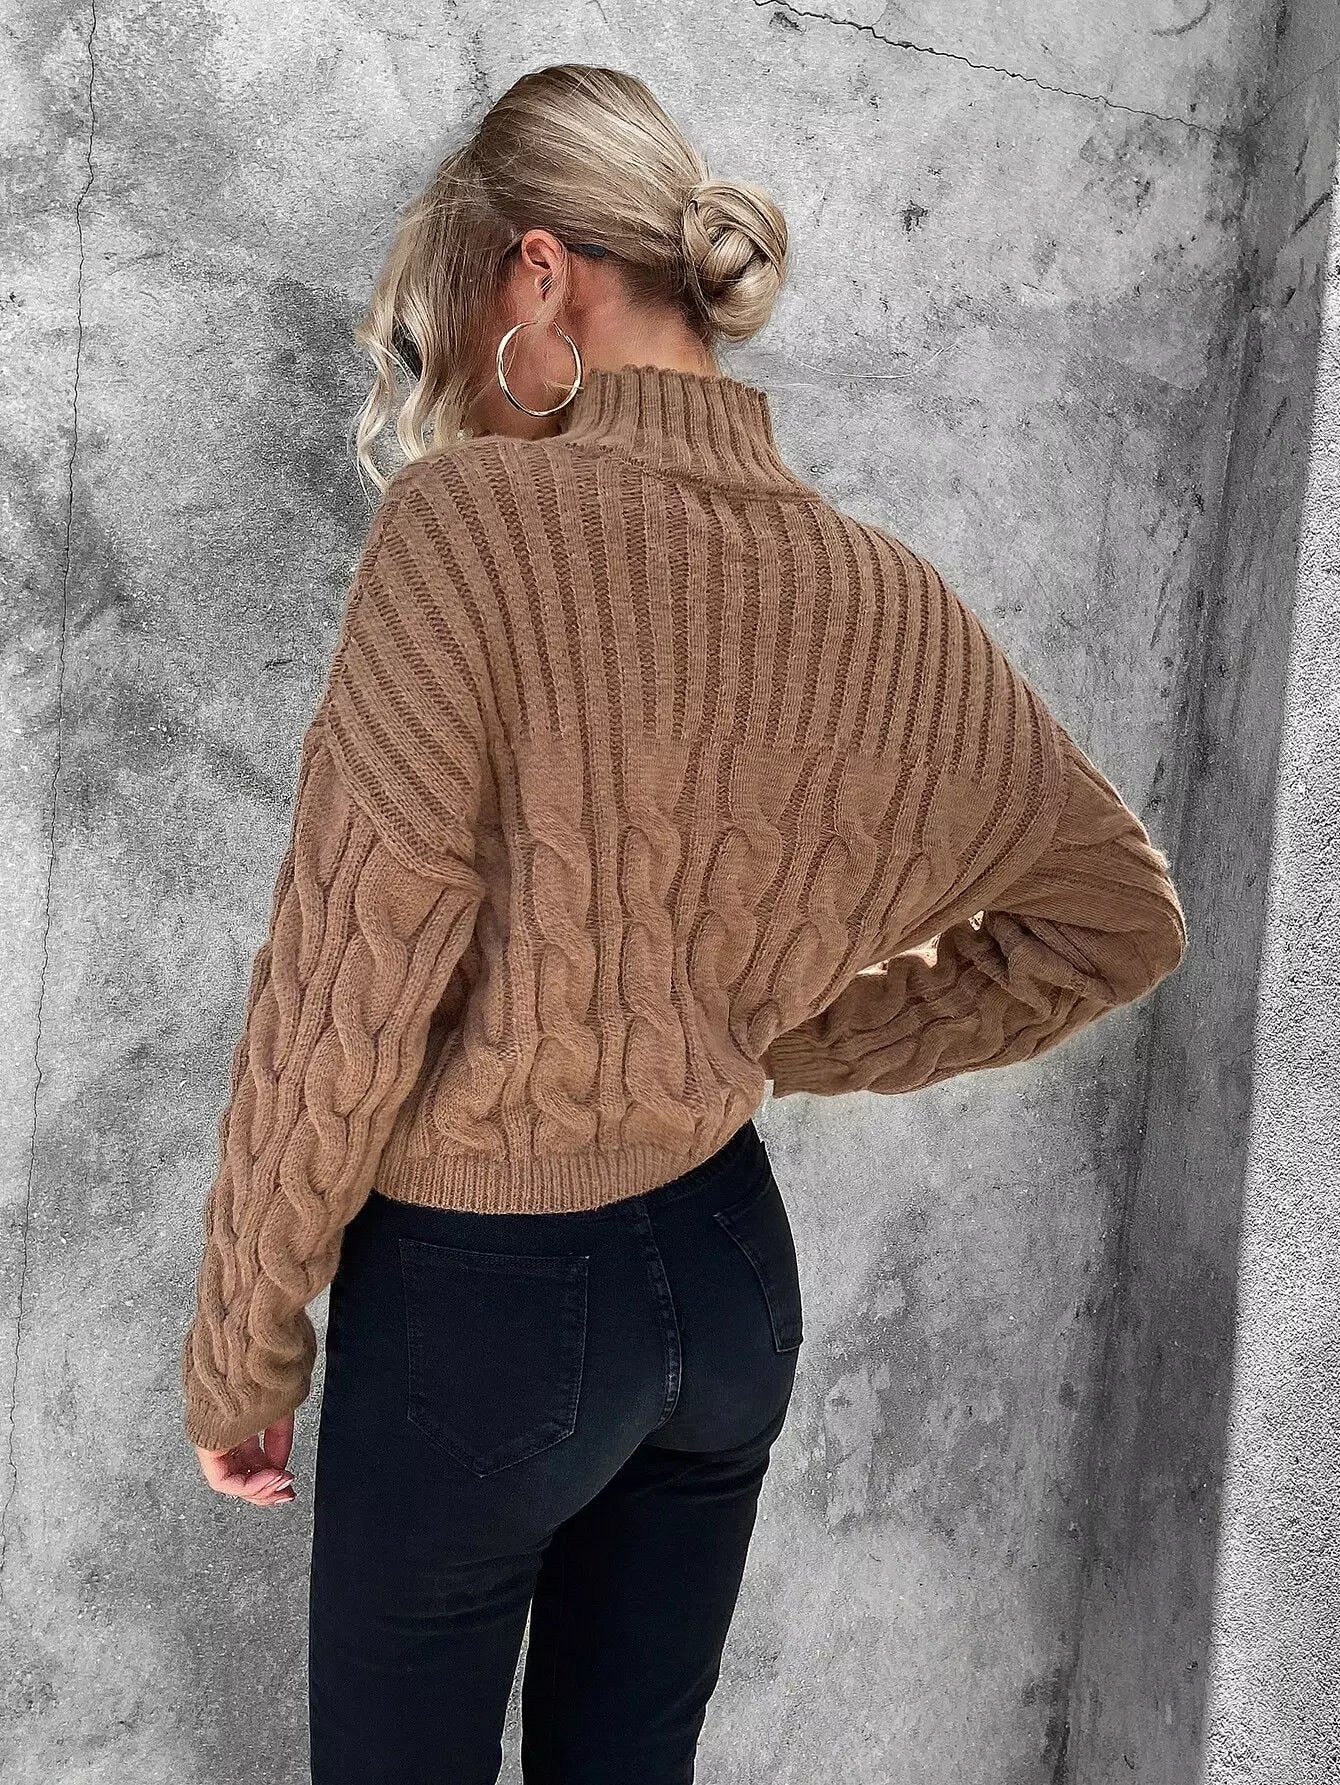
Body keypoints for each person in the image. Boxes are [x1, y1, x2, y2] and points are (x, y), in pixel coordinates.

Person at [180, 61, 1188, 1785]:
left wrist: (243, 1347)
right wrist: (767, 1039)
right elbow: (1119, 915)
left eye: (458, 310)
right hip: (724, 1275)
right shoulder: (882, 595)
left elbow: (345, 987)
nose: (456, 375)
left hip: (483, 1305)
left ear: (540, 270)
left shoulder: (468, 533)